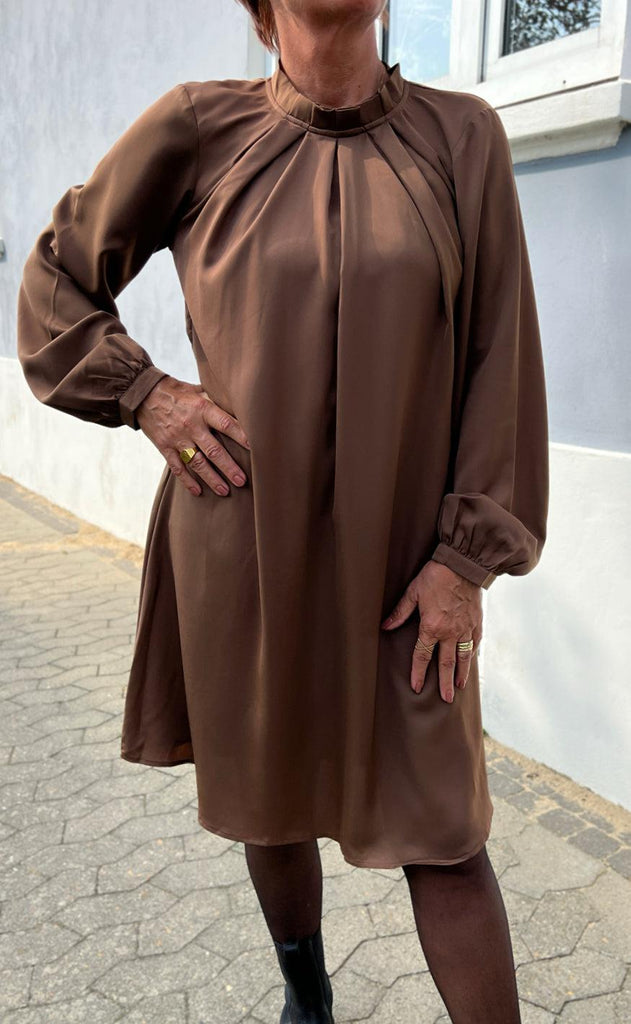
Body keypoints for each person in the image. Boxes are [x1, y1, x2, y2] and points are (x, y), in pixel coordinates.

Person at [16, 0, 549, 1020]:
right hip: (244, 548)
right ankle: (307, 997)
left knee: (446, 834)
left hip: (410, 570)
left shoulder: (462, 137)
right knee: (272, 800)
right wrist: (147, 394)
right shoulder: (195, 127)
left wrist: (467, 561)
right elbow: (55, 283)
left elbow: (500, 359)